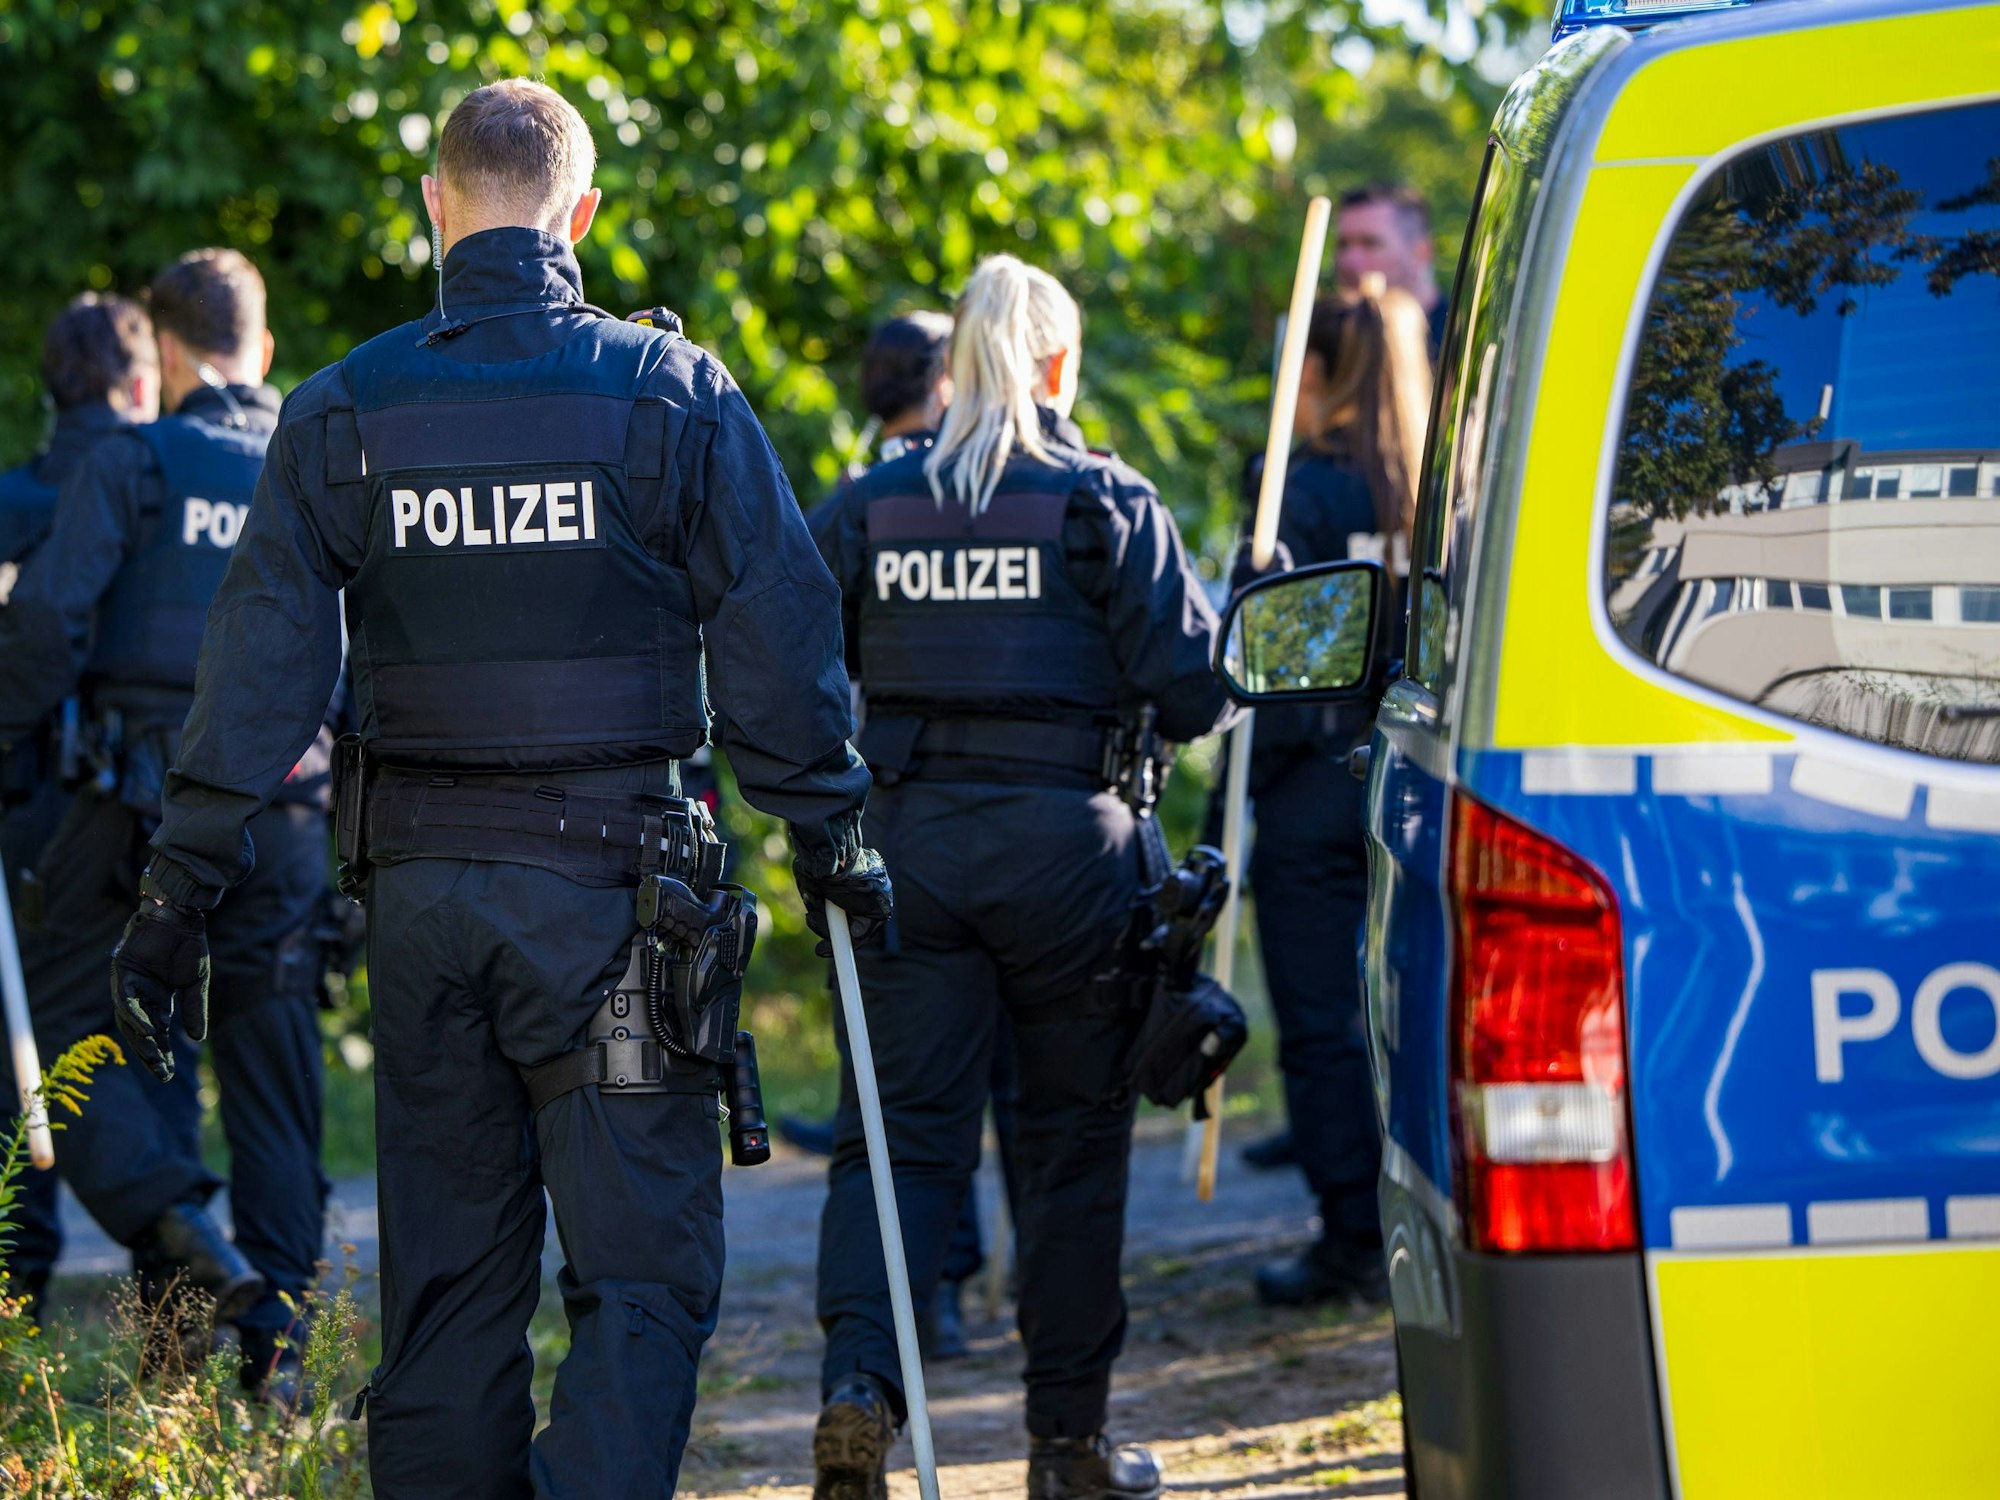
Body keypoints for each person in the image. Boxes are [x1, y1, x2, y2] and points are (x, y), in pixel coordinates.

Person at [106, 80, 890, 1500]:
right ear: (580, 214)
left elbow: (264, 664)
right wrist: (831, 825)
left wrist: (181, 880)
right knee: (641, 1278)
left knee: (449, 1295)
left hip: (422, 918)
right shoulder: (670, 394)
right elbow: (776, 632)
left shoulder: (345, 406)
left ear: (434, 209)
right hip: (613, 928)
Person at [808, 254, 1231, 1500]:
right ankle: (1066, 1446)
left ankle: (856, 1396)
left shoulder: (871, 505)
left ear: (954, 367)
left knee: (893, 1142)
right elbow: (1196, 693)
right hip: (1069, 865)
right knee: (1065, 1148)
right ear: (1055, 365)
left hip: (910, 854)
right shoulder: (1104, 505)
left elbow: (790, 665)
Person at [0, 250, 335, 1393]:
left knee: (78, 1041)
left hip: (138, 814)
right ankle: (277, 1356)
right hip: (290, 814)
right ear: (265, 349)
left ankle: (182, 1232)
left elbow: (45, 626)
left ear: (171, 351)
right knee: (274, 1072)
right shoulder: (316, 459)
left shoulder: (138, 462)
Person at [1237, 286, 1431, 1306]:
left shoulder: (1299, 494)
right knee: (1417, 1014)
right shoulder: (1441, 490)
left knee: (1320, 1026)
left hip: (1317, 786)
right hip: (1420, 777)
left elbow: (1267, 661)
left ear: (1316, 375)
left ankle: (1353, 1237)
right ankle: (1416, 1223)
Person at [0, 291, 159, 1322]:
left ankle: (19, 1288)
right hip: (132, 814)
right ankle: (174, 1286)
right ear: (138, 381)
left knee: (16, 1055)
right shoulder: (153, 483)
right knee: (148, 1044)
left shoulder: (11, 499)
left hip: (22, 811)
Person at [1336, 184, 1447, 359]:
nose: (1349, 260)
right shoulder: (1330, 337)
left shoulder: (1460, 338)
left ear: (1421, 253)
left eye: (1370, 243)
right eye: (1342, 245)